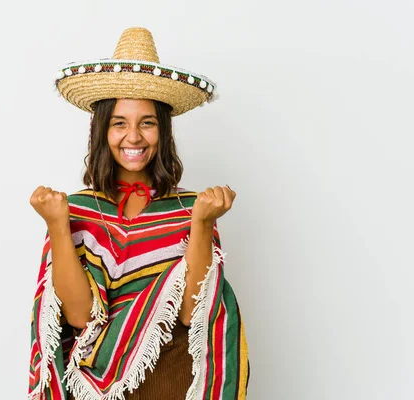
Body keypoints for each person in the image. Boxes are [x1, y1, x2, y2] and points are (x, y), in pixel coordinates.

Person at [27, 27, 249, 400]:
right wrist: (57, 225)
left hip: (172, 381)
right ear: (102, 132)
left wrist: (203, 223)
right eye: (119, 123)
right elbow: (81, 318)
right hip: (92, 389)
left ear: (163, 131)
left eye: (147, 122)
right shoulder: (76, 209)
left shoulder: (190, 208)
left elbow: (192, 314)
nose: (134, 136)